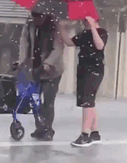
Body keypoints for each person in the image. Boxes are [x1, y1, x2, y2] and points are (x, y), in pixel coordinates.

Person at [14, 12, 64, 141]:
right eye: (34, 17)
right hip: (35, 67)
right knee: (35, 100)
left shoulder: (55, 25)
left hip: (52, 71)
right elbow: (24, 42)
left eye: (39, 18)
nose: (37, 20)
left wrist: (48, 63)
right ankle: (40, 127)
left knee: (48, 101)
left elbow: (58, 48)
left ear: (44, 16)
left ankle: (48, 129)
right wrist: (21, 61)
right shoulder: (29, 23)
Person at [59, 16, 108, 147]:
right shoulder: (84, 34)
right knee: (89, 101)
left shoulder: (102, 32)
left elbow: (99, 45)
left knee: (87, 101)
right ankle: (94, 132)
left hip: (95, 69)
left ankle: (85, 134)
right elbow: (70, 43)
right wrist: (62, 28)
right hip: (83, 69)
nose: (83, 22)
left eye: (85, 20)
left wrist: (93, 27)